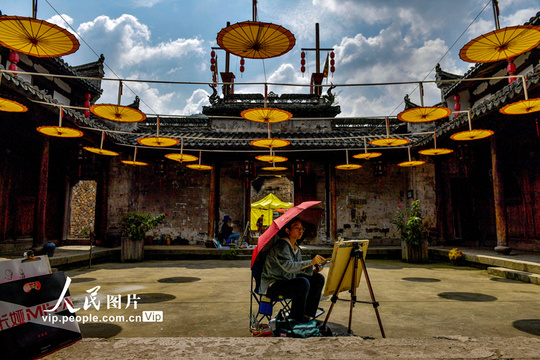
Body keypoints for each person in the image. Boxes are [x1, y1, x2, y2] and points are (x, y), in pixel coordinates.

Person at [260, 218, 326, 323]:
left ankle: (306, 315)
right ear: (288, 231)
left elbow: (298, 269)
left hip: (288, 280)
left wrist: (313, 270)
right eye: (296, 228)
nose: (300, 231)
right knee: (302, 283)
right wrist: (310, 262)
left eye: (301, 228)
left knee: (318, 279)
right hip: (274, 284)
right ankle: (295, 319)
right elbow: (289, 267)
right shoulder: (281, 246)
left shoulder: (295, 247)